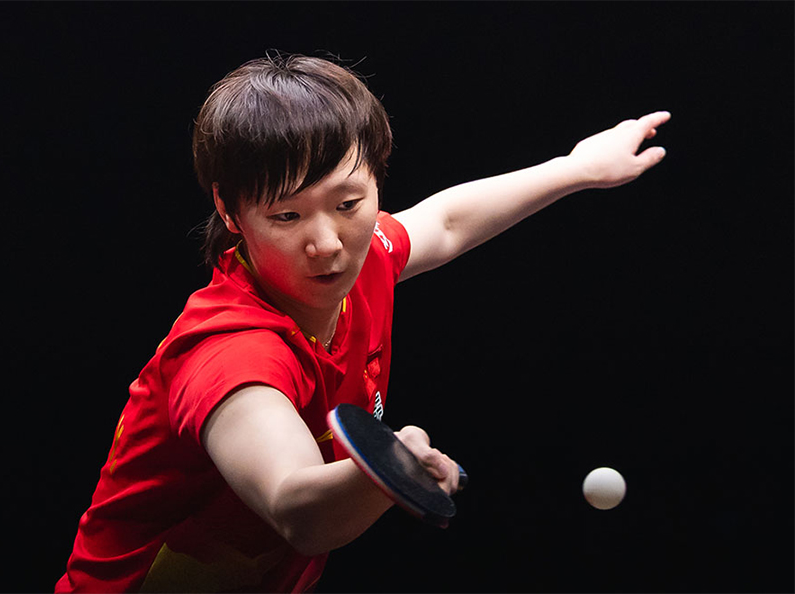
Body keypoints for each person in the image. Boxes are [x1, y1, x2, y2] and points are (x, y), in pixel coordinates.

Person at [56, 53, 670, 593]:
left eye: (348, 203)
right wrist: (388, 469)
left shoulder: (364, 259)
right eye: (288, 216)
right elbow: (296, 506)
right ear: (231, 211)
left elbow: (445, 222)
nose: (327, 243)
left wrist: (578, 167)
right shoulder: (231, 354)